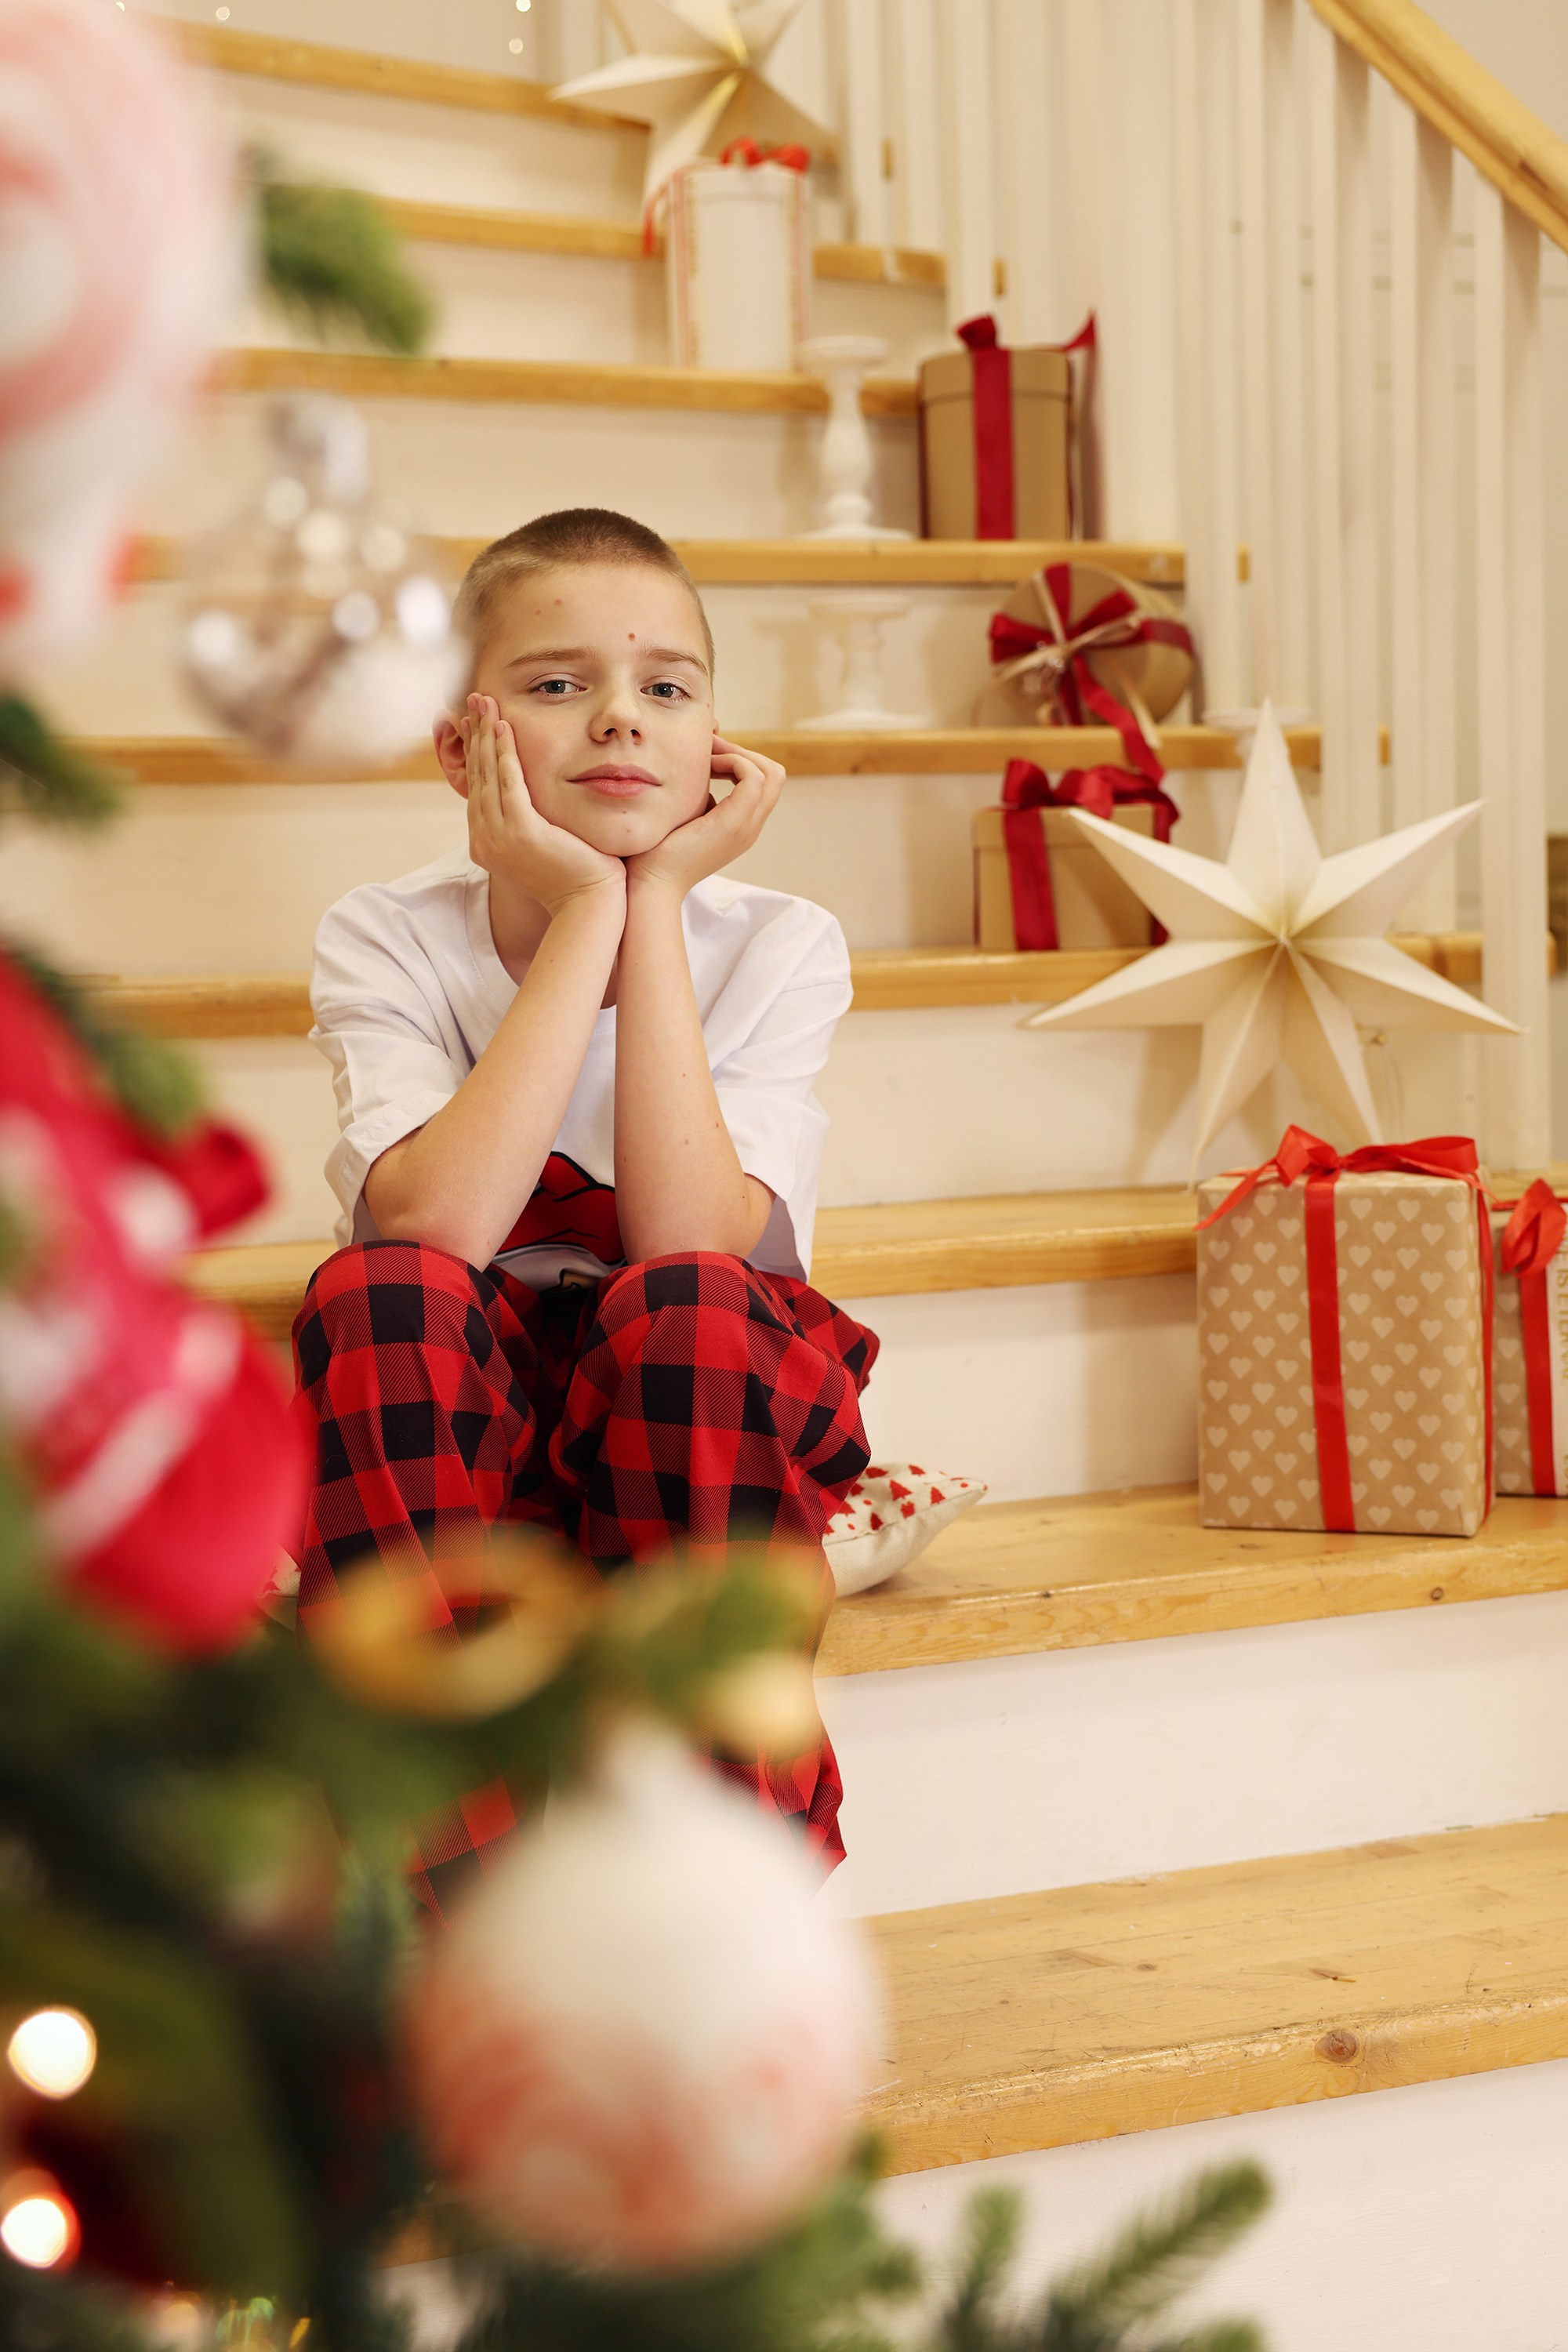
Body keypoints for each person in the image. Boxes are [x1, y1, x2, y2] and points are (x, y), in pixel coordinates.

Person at [292, 506, 877, 1915]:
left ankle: (718, 1880)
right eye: (559, 684)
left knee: (692, 1306)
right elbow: (431, 1229)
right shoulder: (385, 934)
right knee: (374, 1293)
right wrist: (580, 919)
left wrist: (654, 901)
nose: (621, 718)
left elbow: (691, 1243)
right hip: (463, 1393)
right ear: (462, 748)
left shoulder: (780, 942)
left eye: (667, 687)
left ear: (715, 745)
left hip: (702, 1391)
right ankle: (450, 1875)